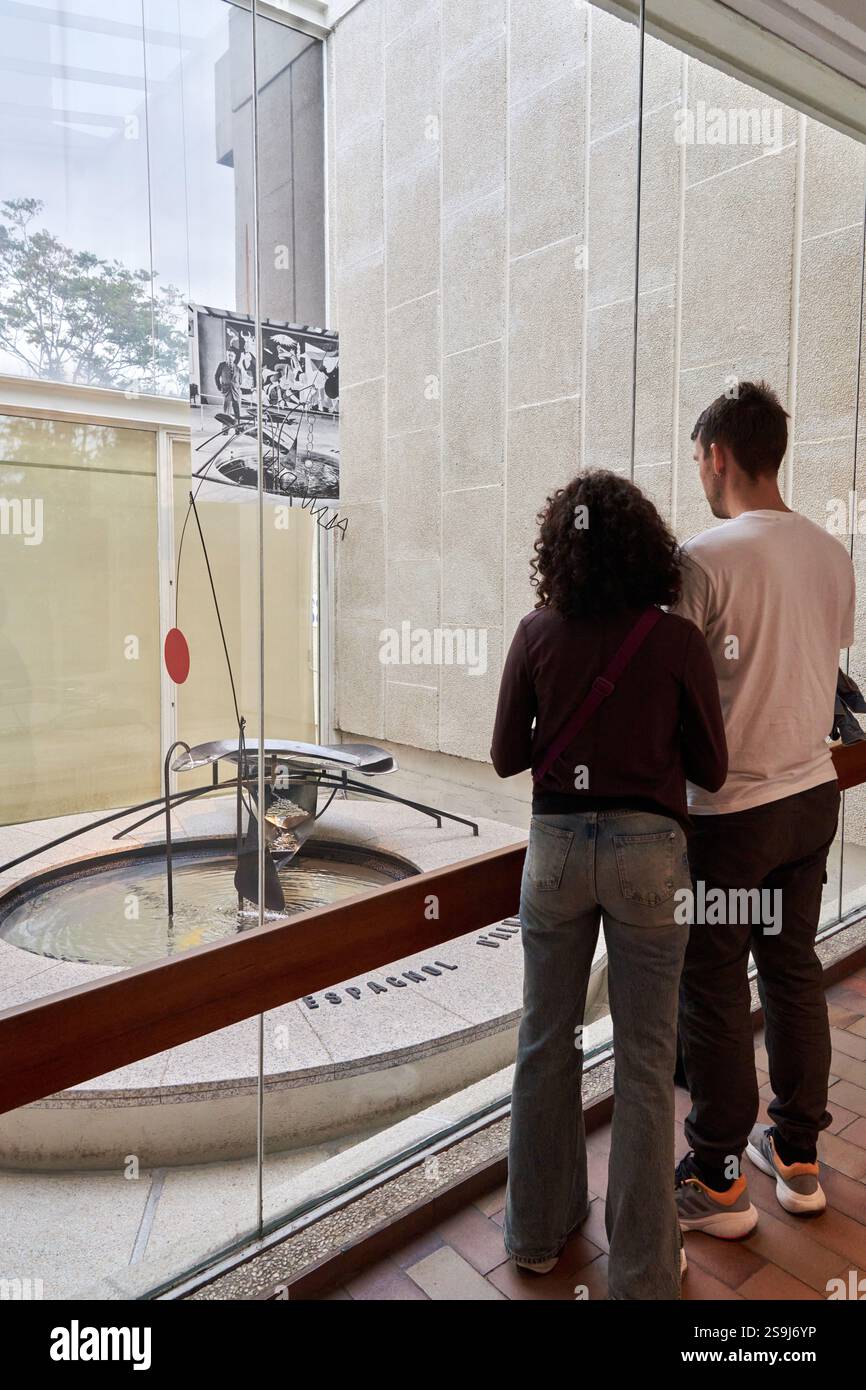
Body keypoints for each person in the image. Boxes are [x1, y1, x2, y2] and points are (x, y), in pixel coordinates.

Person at [491, 470, 727, 1300]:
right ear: (647, 550)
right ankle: (641, 1271)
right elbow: (713, 767)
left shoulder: (536, 631)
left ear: (561, 547)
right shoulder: (675, 643)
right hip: (649, 857)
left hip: (553, 852)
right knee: (645, 1060)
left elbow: (504, 756)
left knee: (543, 1041)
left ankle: (537, 1236)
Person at [672, 381, 855, 1236]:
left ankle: (715, 1178)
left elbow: (674, 690)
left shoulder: (704, 559)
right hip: (811, 798)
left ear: (718, 455)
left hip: (732, 814)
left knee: (712, 986)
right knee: (790, 970)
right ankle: (798, 1154)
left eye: (699, 459)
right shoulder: (832, 555)